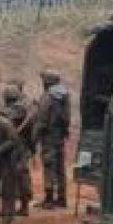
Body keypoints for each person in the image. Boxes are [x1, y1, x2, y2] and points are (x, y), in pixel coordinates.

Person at [34, 69, 71, 209]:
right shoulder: (65, 95)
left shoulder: (48, 96)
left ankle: (49, 199)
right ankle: (62, 198)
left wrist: (35, 137)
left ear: (47, 82)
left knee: (49, 166)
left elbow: (42, 120)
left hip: (48, 136)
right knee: (60, 168)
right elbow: (67, 118)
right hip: (60, 136)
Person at [1, 82, 36, 216]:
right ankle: (17, 206)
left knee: (19, 177)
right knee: (17, 176)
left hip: (17, 148)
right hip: (18, 147)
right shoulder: (22, 110)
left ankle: (23, 206)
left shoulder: (16, 110)